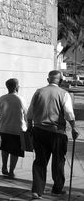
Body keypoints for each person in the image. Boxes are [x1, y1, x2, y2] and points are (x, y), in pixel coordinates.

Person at [27, 70, 79, 200]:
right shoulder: (63, 94)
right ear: (60, 81)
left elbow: (30, 112)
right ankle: (57, 189)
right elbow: (68, 113)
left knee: (39, 161)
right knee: (58, 161)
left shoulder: (38, 92)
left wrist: (29, 127)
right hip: (57, 132)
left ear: (48, 80)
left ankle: (37, 191)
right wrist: (73, 128)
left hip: (39, 130)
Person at [0, 78, 27, 178]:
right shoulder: (21, 99)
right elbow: (26, 114)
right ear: (17, 87)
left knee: (5, 148)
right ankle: (11, 171)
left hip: (4, 128)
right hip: (18, 129)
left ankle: (4, 167)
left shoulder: (2, 98)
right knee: (15, 151)